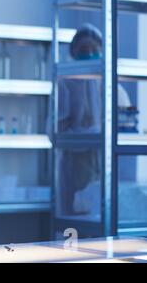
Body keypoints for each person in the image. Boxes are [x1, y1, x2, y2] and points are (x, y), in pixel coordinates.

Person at [57, 24, 131, 217]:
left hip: (108, 168)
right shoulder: (66, 84)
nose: (89, 53)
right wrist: (88, 136)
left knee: (106, 220)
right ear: (73, 51)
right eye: (83, 49)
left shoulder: (113, 87)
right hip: (75, 170)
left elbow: (128, 124)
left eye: (94, 49)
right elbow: (55, 132)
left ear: (102, 51)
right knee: (77, 224)